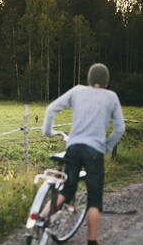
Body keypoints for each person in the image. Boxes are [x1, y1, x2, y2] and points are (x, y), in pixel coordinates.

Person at [42, 63, 125, 245]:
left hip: (74, 147)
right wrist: (106, 147)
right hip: (94, 151)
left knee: (67, 189)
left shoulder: (77, 91)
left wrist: (47, 132)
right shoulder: (111, 97)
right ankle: (92, 242)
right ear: (106, 81)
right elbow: (119, 128)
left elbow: (50, 110)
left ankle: (41, 218)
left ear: (89, 78)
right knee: (94, 199)